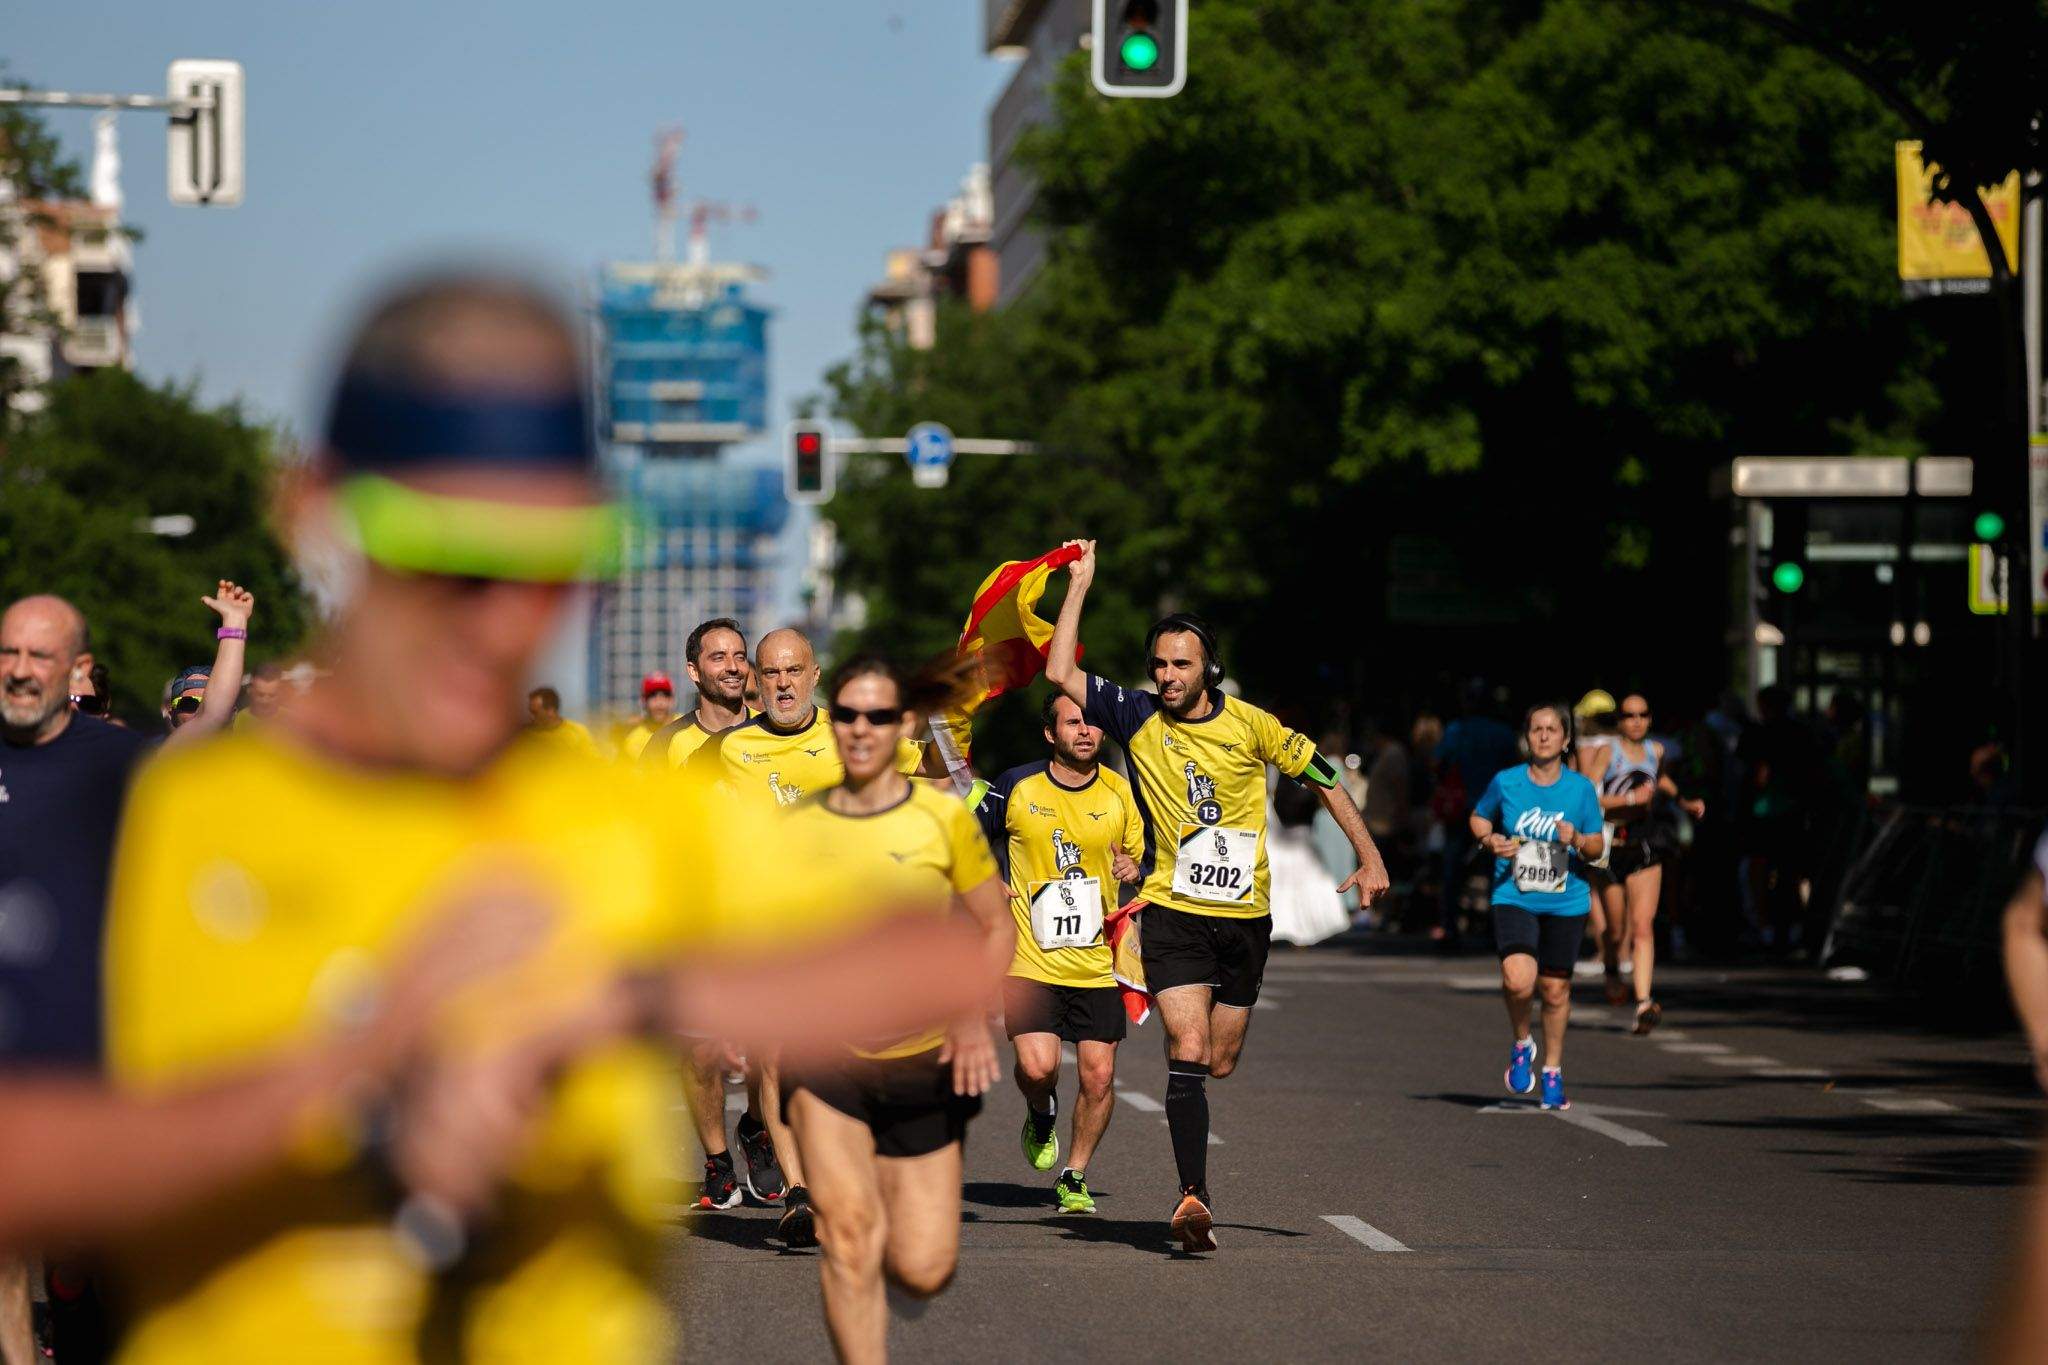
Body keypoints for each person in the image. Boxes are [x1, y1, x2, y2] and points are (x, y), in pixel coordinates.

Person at [92, 272, 1001, 1364]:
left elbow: (928, 963)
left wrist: (611, 993)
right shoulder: (156, 816)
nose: (503, 617)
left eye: (553, 559)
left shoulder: (621, 811)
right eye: (446, 551)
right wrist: (353, 1082)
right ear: (315, 509)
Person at [1044, 539, 1389, 1254]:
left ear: (1210, 670)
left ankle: (1194, 1163)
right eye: (1160, 664)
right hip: (1173, 912)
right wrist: (1080, 585)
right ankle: (1192, 1195)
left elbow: (1322, 773)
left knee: (1219, 1058)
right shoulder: (1135, 717)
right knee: (1187, 1044)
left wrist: (1368, 851)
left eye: (1181, 664)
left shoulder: (1251, 723)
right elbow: (1059, 668)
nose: (1167, 676)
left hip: (1245, 919)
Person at [782, 654, 1012, 1365]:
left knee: (922, 1265)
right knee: (846, 1236)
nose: (859, 728)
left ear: (902, 726)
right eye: (846, 713)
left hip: (923, 1057)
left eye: (877, 715)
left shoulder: (940, 820)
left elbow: (996, 922)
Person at [684, 624, 927, 1245]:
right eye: (771, 674)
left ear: (816, 675)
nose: (783, 683)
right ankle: (799, 1195)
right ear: (756, 684)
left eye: (794, 671)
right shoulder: (730, 749)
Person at [974, 692, 1143, 1214]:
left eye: (1092, 722)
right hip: (1031, 959)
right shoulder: (1016, 786)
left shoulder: (1122, 792)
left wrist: (1132, 869)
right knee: (1040, 1066)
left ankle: (1074, 1173)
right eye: (1073, 722)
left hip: (1098, 963)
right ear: (1052, 734)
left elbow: (1140, 856)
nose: (1086, 730)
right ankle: (1039, 1108)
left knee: (1097, 1075)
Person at [1470, 703, 1605, 1112]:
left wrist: (1578, 839)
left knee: (1555, 988)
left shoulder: (1580, 789)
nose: (1543, 736)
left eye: (1552, 730)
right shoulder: (1506, 782)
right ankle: (1521, 1041)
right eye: (1536, 729)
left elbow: (1598, 845)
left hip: (1567, 900)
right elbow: (1478, 818)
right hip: (1514, 894)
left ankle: (1552, 1070)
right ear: (1527, 738)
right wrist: (1490, 840)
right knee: (1517, 980)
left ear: (1565, 741)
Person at [1576, 693, 1704, 1034]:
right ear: (1620, 720)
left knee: (1643, 926)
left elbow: (1658, 778)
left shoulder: (1655, 751)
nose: (1636, 720)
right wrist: (1628, 799)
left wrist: (1683, 801)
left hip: (1645, 842)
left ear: (1650, 719)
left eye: (1642, 714)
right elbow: (1587, 794)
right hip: (1613, 843)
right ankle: (1613, 970)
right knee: (1616, 931)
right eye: (1629, 715)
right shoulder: (1608, 751)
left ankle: (1644, 1001)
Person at [1433, 682, 1520, 949]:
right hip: (1497, 807)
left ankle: (1450, 925)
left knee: (1453, 869)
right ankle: (1498, 928)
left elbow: (1438, 764)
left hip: (1463, 806)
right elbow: (1515, 770)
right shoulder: (1503, 733)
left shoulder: (1457, 730)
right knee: (1498, 867)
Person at [639, 617, 752, 770]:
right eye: (719, 658)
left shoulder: (769, 731)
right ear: (694, 671)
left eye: (740, 657)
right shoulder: (664, 743)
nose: (733, 667)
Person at [156, 580, 257, 742]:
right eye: (188, 704)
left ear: (233, 713)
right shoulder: (151, 759)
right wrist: (234, 623)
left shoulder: (256, 762)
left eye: (207, 702)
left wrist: (236, 619)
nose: (200, 712)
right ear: (171, 714)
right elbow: (211, 716)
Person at [617, 672, 676, 762]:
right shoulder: (633, 742)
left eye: (665, 695)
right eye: (652, 695)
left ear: (672, 700)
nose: (659, 702)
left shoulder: (689, 727)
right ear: (643, 701)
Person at [525, 684, 599, 755]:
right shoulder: (526, 735)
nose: (531, 717)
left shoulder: (578, 732)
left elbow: (594, 761)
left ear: (551, 711)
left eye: (535, 713)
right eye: (530, 711)